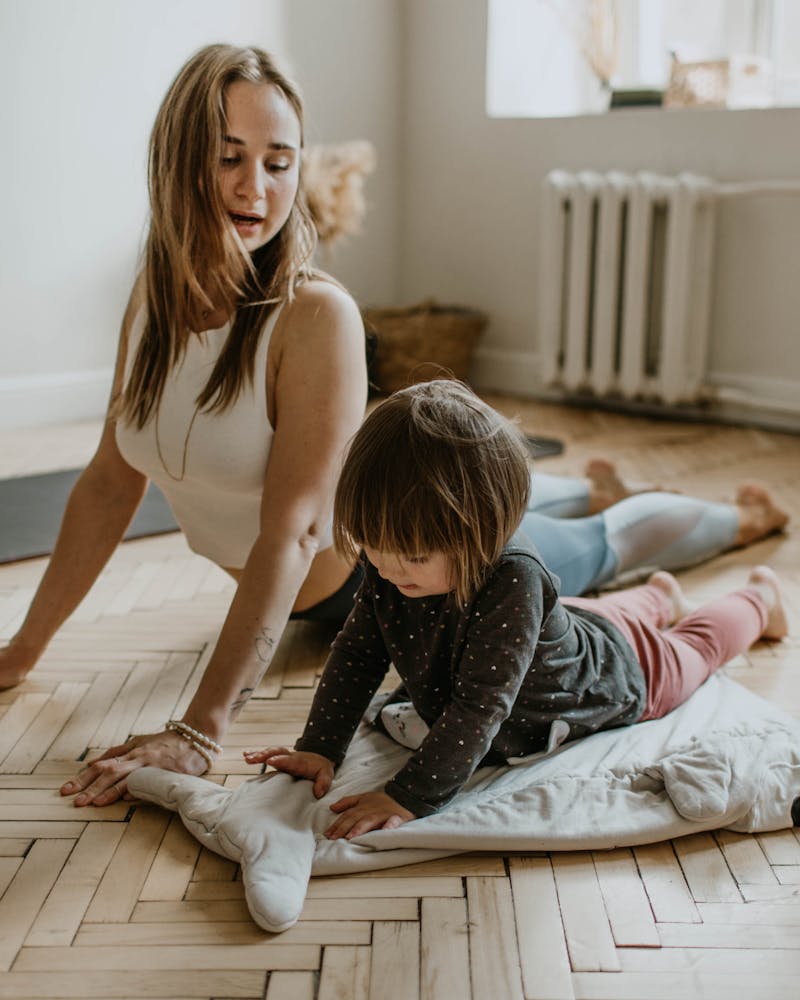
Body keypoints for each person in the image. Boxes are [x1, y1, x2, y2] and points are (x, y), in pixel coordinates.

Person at [0, 44, 786, 807]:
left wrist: (201, 729)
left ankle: (737, 517)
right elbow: (108, 483)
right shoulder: (152, 301)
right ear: (177, 158)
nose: (256, 188)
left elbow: (294, 533)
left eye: (279, 162)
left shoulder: (313, 315)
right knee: (526, 504)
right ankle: (579, 490)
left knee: (611, 542)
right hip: (376, 546)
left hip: (398, 575)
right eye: (229, 156)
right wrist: (19, 653)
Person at [248, 381, 788, 839]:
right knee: (597, 616)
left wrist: (408, 796)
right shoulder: (394, 562)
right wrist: (320, 745)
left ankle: (759, 600)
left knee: (695, 647)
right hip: (569, 626)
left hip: (617, 672)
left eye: (411, 556)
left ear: (482, 531)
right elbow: (359, 652)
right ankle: (660, 595)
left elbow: (481, 707)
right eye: (373, 547)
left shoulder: (514, 578)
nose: (387, 570)